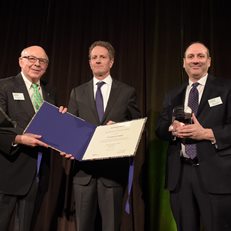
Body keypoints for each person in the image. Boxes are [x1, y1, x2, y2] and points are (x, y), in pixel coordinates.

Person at [63, 40, 141, 231]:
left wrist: (121, 128)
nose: (98, 60)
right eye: (94, 57)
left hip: (112, 174)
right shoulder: (77, 92)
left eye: (102, 57)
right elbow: (71, 129)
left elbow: (138, 127)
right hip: (83, 175)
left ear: (111, 62)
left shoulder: (127, 92)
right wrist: (63, 133)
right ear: (89, 62)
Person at [156, 42, 231, 231]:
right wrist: (172, 128)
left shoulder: (226, 89)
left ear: (209, 61)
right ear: (183, 63)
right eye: (190, 57)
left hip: (215, 174)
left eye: (200, 56)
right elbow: (160, 128)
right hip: (180, 176)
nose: (195, 60)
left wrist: (206, 133)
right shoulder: (173, 94)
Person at [0, 45, 57, 231]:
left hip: (38, 174)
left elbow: (51, 130)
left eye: (42, 61)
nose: (37, 64)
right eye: (32, 58)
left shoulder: (50, 94)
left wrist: (61, 122)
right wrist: (19, 138)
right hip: (7, 171)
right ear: (20, 61)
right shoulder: (4, 87)